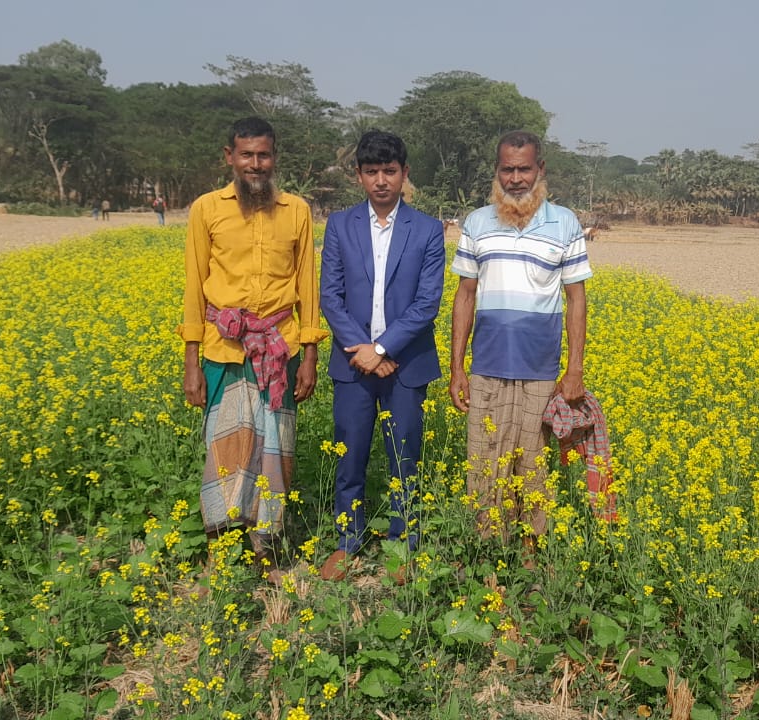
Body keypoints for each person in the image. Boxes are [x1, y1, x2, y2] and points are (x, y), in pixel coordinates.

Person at [178, 117, 327, 585]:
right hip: (222, 350)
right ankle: (223, 544)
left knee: (274, 449)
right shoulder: (206, 209)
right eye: (247, 155)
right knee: (226, 448)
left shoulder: (296, 210)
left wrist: (310, 354)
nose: (256, 164)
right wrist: (190, 363)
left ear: (274, 157)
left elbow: (307, 284)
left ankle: (266, 546)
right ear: (230, 157)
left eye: (264, 155)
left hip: (278, 350)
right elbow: (193, 287)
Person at [448, 129, 592, 563]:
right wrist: (456, 367)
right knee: (484, 459)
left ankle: (531, 556)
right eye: (507, 169)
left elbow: (576, 299)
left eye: (523, 168)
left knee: (532, 465)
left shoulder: (564, 223)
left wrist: (575, 369)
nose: (515, 178)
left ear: (540, 170)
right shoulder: (477, 222)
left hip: (541, 369)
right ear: (497, 171)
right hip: (486, 365)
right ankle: (488, 554)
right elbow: (465, 295)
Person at [318, 131, 445, 583]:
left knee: (403, 457)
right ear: (359, 176)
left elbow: (427, 303)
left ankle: (402, 546)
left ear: (405, 174)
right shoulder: (339, 224)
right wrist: (365, 352)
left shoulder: (428, 229)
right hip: (353, 365)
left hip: (405, 365)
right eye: (371, 172)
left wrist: (383, 348)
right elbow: (330, 297)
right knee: (349, 456)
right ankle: (346, 541)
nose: (381, 180)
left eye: (390, 171)